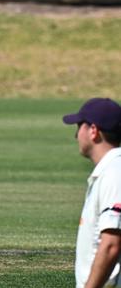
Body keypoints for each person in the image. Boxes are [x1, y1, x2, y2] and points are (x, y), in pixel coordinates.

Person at [63, 97, 121, 288]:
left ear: (93, 131)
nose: (75, 135)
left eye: (79, 126)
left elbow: (111, 244)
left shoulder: (114, 173)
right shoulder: (109, 171)